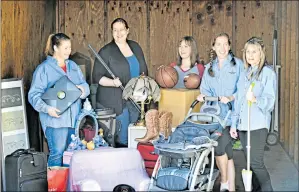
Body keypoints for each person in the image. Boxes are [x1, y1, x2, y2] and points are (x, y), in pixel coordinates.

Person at [28, 33, 90, 166]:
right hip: (55, 121)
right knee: (57, 153)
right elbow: (33, 95)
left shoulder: (73, 66)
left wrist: (81, 90)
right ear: (56, 48)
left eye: (70, 48)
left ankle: (67, 186)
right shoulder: (43, 69)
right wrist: (47, 109)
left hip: (74, 121)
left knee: (71, 155)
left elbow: (86, 87)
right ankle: (55, 187)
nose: (70, 51)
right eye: (66, 48)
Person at [196, 33, 243, 191]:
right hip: (214, 116)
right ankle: (231, 189)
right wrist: (203, 95)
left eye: (225, 44)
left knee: (219, 147)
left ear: (229, 46)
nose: (222, 48)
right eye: (218, 44)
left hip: (232, 116)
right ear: (213, 47)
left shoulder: (238, 65)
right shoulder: (210, 67)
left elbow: (243, 90)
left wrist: (231, 97)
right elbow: (204, 89)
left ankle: (223, 181)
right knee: (227, 153)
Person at [92, 18, 148, 146]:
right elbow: (97, 77)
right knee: (122, 137)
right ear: (112, 32)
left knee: (135, 135)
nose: (119, 33)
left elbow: (143, 70)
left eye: (121, 29)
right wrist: (112, 82)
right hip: (115, 100)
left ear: (127, 31)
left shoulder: (136, 47)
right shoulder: (106, 51)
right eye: (115, 30)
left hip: (135, 98)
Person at [230, 37, 275, 191]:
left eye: (254, 51)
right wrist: (234, 124)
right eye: (248, 51)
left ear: (261, 53)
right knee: (248, 161)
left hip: (257, 125)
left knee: (256, 162)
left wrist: (256, 99)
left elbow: (270, 101)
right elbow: (238, 102)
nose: (250, 55)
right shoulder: (244, 74)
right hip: (243, 125)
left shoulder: (267, 73)